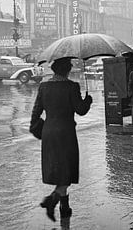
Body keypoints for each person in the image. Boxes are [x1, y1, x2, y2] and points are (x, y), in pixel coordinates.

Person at [29, 57, 93, 222]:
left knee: (61, 173)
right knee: (66, 172)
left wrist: (40, 130)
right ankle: (51, 201)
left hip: (49, 133)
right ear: (67, 70)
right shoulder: (72, 87)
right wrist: (88, 100)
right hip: (66, 134)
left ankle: (65, 208)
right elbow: (81, 110)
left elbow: (35, 113)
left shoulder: (44, 87)